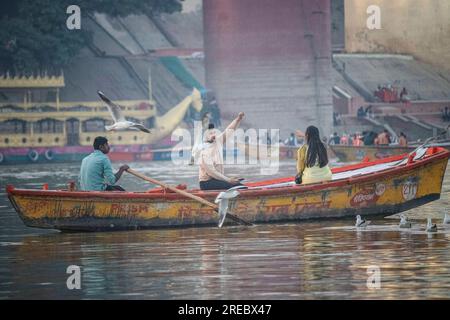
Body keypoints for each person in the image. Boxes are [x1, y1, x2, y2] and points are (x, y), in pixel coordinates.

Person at [198, 112, 245, 190]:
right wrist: (228, 180)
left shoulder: (217, 141)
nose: (213, 135)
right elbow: (212, 172)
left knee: (240, 185)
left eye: (214, 133)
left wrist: (238, 119)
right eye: (210, 134)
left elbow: (228, 131)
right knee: (237, 187)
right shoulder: (204, 151)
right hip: (206, 183)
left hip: (216, 180)